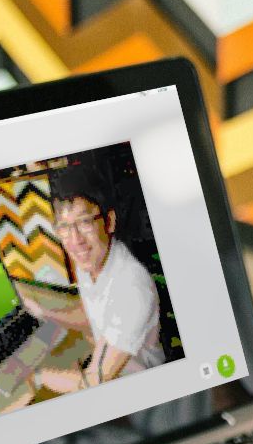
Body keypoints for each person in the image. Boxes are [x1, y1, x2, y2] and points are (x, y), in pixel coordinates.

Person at [29, 164, 165, 392]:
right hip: (108, 367)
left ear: (108, 221)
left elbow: (94, 381)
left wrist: (37, 377)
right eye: (64, 227)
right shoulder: (90, 261)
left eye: (84, 222)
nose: (75, 240)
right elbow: (91, 314)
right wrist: (45, 313)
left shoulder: (131, 287)